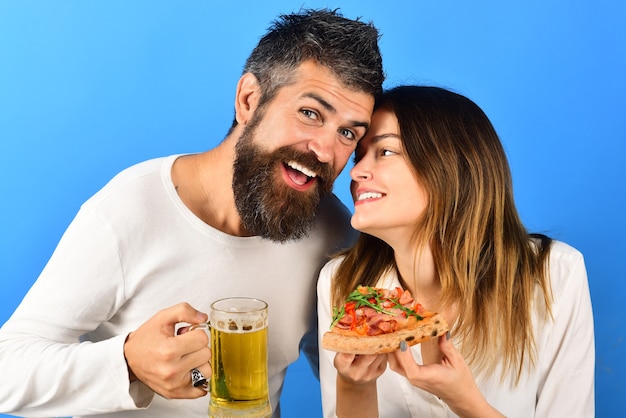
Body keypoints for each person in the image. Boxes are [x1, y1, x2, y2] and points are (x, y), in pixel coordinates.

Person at [0, 9, 384, 417]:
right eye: (310, 113)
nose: (325, 151)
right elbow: (7, 369)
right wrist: (128, 363)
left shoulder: (334, 233)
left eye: (348, 133)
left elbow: (348, 376)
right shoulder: (130, 207)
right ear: (249, 100)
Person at [317, 85, 595, 418]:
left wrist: (466, 402)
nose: (355, 172)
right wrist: (354, 386)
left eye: (386, 151)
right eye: (358, 156)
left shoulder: (555, 275)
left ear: (450, 165)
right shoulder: (340, 283)